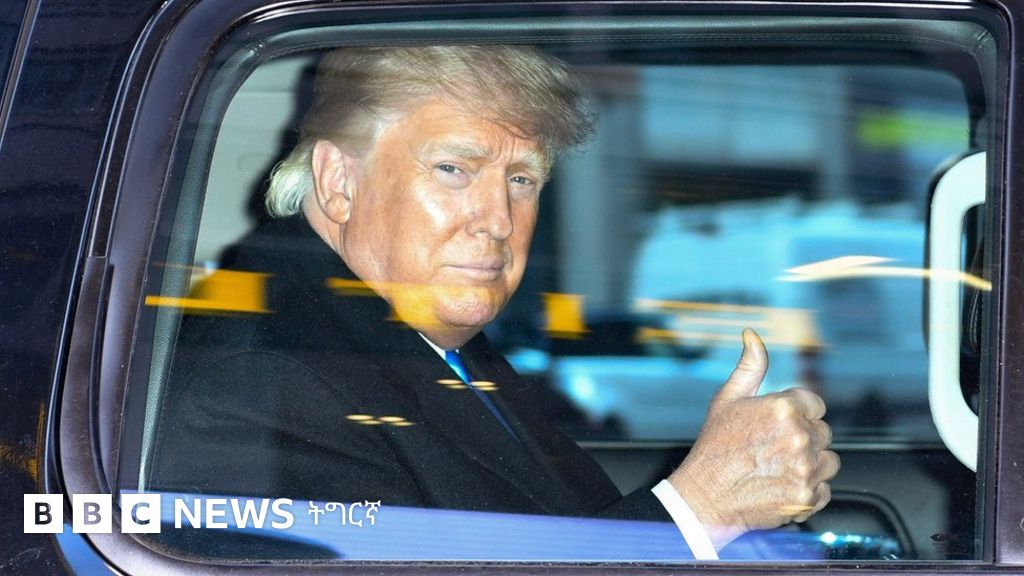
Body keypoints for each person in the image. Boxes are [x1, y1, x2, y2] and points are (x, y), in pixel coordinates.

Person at [149, 45, 839, 558]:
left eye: (521, 179)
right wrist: (702, 508)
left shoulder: (420, 344)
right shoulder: (261, 376)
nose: (499, 220)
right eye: (454, 169)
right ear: (338, 181)